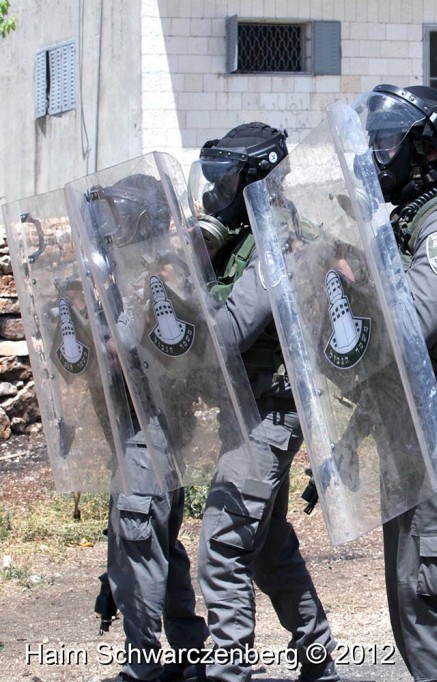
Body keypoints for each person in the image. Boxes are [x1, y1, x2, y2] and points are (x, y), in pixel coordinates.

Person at [189, 123, 340, 682]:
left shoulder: (281, 242)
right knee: (269, 549)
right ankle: (319, 662)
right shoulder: (246, 235)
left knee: (223, 549)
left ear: (256, 181)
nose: (215, 196)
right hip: (246, 411)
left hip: (271, 415)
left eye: (225, 182)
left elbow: (230, 330)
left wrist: (185, 279)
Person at [355, 83, 437, 682]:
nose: (378, 156)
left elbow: (408, 324)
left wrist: (350, 286)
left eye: (388, 143)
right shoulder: (405, 224)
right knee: (411, 599)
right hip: (410, 430)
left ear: (429, 149)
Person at [94, 174, 209, 682]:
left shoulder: (160, 275)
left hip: (155, 430)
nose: (109, 230)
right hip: (145, 432)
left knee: (141, 545)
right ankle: (188, 655)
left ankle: (143, 666)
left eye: (118, 220)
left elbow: (119, 351)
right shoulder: (136, 273)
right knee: (163, 545)